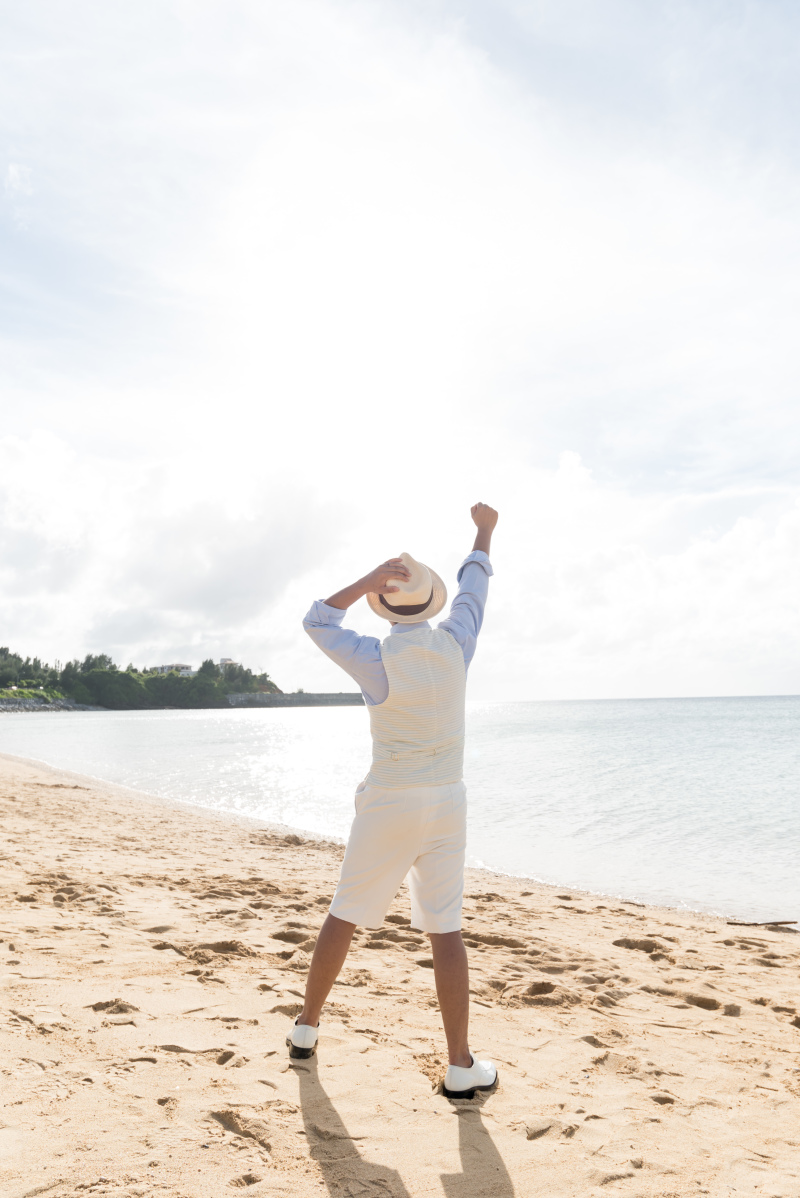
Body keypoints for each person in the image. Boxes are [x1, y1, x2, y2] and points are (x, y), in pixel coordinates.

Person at [290, 502, 499, 1100]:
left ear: (386, 606)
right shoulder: (458, 641)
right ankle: (460, 1065)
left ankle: (306, 1030)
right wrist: (482, 532)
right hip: (447, 801)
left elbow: (318, 621)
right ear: (432, 602)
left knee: (346, 911)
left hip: (391, 801)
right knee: (445, 930)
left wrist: (363, 582)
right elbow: (474, 586)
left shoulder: (376, 658)